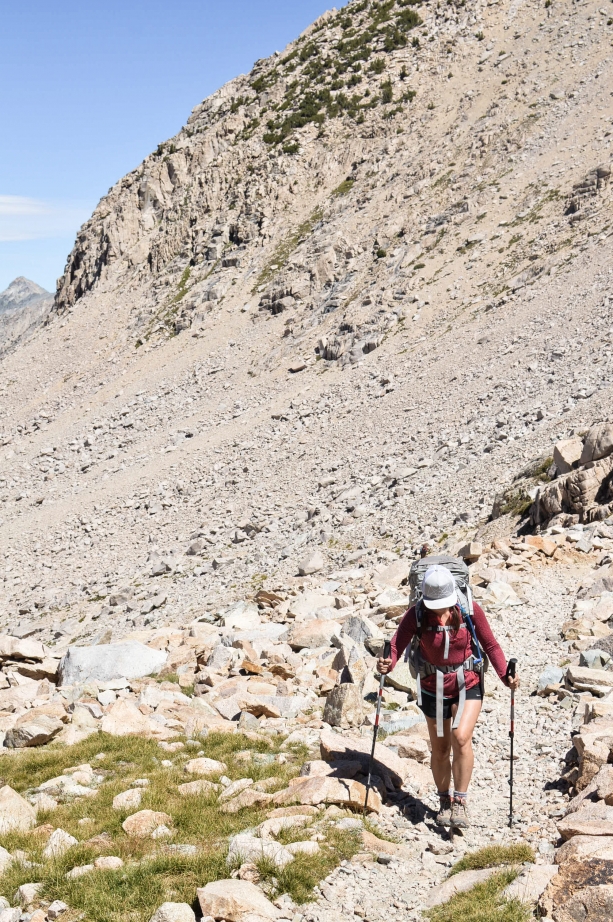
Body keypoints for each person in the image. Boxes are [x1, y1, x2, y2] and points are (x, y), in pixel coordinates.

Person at [377, 564, 520, 829]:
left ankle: (460, 802)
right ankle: (444, 800)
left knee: (460, 736)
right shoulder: (417, 614)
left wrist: (504, 675)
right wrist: (388, 663)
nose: (438, 608)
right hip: (433, 686)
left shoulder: (468, 609)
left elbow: (490, 644)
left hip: (468, 682)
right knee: (441, 748)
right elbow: (397, 644)